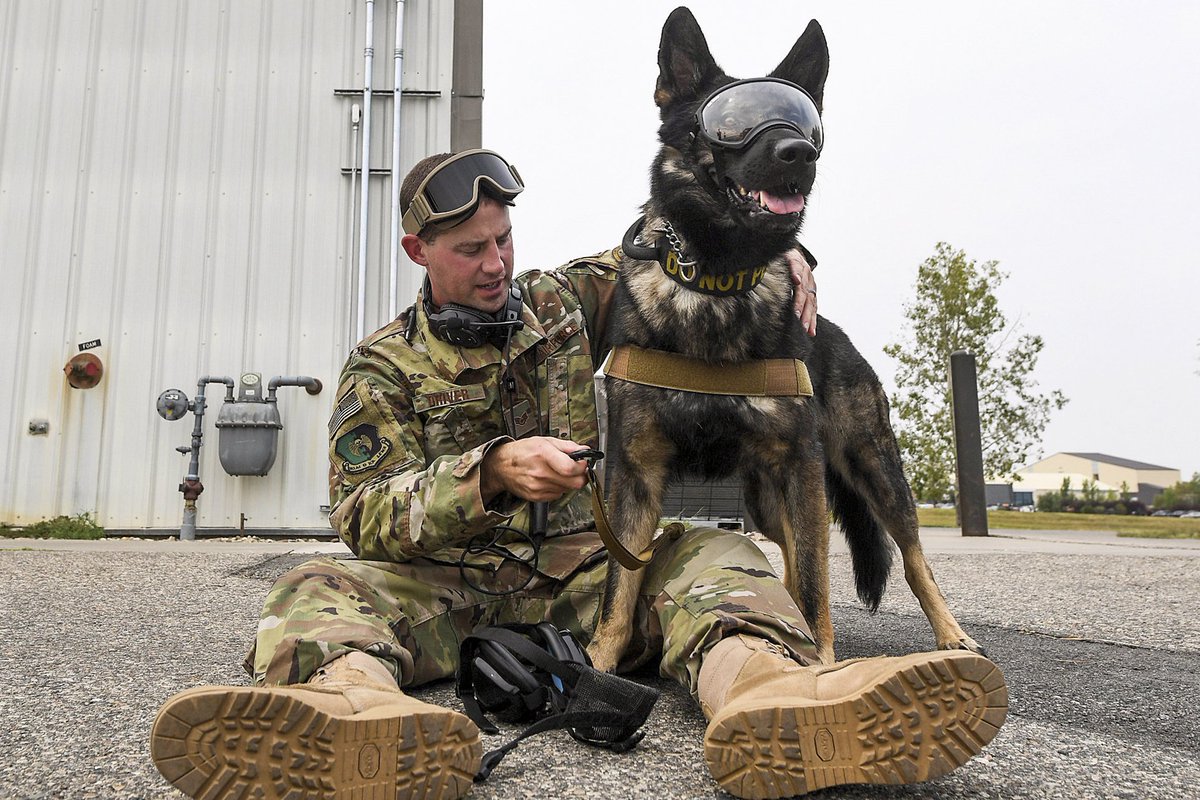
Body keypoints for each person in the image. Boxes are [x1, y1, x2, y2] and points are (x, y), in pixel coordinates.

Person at [151, 149, 1006, 800]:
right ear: (419, 250)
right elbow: (362, 513)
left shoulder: (565, 303)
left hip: (586, 582)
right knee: (313, 584)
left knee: (716, 553)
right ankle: (357, 721)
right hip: (449, 590)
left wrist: (790, 249)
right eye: (470, 248)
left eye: (504, 240)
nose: (496, 264)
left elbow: (679, 238)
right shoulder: (380, 366)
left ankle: (771, 695)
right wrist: (485, 474)